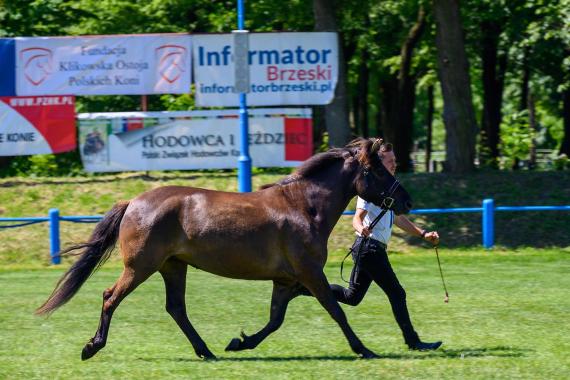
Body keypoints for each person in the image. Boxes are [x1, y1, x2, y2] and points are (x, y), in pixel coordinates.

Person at [330, 141, 442, 351]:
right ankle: (413, 342)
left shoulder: (387, 188)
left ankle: (305, 286)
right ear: (380, 162)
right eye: (390, 161)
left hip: (369, 249)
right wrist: (360, 227)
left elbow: (398, 219)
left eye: (395, 160)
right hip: (368, 248)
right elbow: (356, 217)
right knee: (397, 293)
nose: (394, 164)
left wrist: (423, 234)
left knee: (351, 297)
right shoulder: (372, 187)